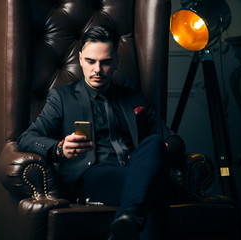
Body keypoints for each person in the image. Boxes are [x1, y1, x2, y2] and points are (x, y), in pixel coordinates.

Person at [17, 26, 185, 240]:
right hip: (92, 177)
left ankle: (128, 219)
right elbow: (26, 139)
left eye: (105, 62)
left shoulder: (134, 98)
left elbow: (175, 140)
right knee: (154, 187)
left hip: (134, 169)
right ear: (79, 59)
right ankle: (129, 216)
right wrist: (59, 149)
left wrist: (162, 152)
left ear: (116, 62)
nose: (97, 69)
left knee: (154, 143)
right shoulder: (62, 97)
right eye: (90, 61)